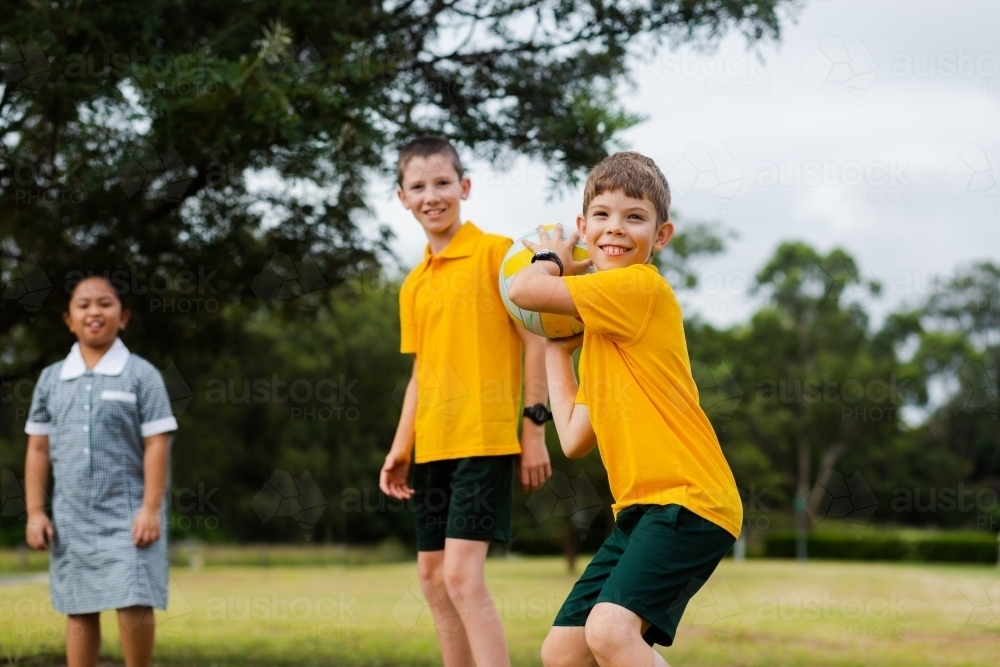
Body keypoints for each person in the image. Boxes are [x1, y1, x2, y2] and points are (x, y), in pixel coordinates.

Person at [507, 151, 743, 667]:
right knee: (563, 653)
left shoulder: (638, 287)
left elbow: (523, 288)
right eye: (603, 215)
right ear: (584, 224)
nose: (616, 228)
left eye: (635, 217)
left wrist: (553, 257)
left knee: (611, 632)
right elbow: (572, 437)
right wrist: (555, 350)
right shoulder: (602, 340)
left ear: (660, 236)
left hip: (689, 499)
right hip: (640, 512)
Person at [378, 136, 553, 667]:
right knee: (432, 578)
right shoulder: (413, 284)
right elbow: (420, 373)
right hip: (432, 444)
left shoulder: (499, 254)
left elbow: (537, 340)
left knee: (460, 574)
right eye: (418, 186)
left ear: (465, 187)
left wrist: (534, 428)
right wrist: (399, 447)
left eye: (442, 183)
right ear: (402, 197)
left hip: (486, 437)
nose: (432, 195)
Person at [24, 275, 177, 667]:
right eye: (84, 304)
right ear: (69, 319)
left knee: (134, 595)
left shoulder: (142, 376)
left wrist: (150, 509)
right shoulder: (50, 379)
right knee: (79, 604)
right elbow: (38, 447)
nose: (94, 311)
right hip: (72, 515)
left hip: (131, 513)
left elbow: (157, 444)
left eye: (105, 303)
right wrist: (36, 512)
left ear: (123, 317)